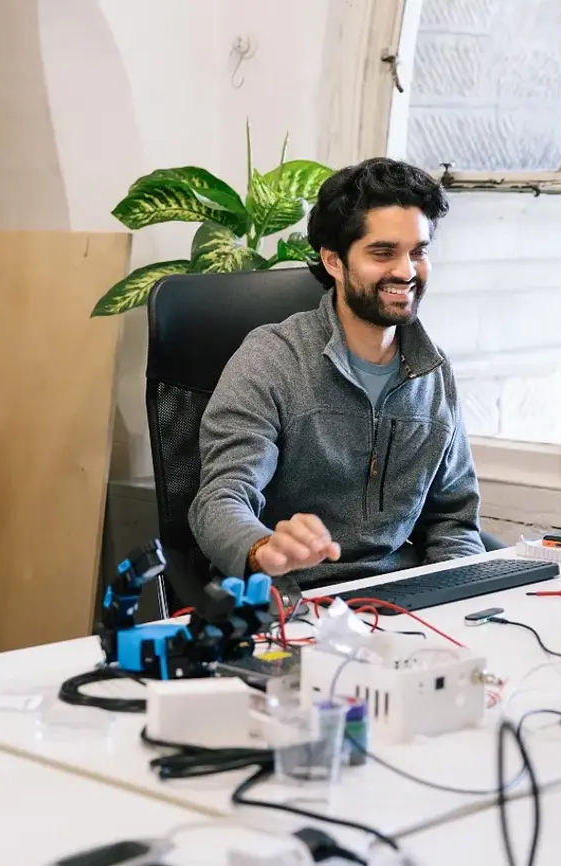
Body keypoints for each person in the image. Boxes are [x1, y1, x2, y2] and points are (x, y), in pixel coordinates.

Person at [189, 157, 485, 587]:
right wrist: (263, 549)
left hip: (398, 599)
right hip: (290, 595)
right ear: (333, 261)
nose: (406, 271)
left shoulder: (434, 372)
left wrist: (462, 594)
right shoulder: (272, 359)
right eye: (383, 252)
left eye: (418, 252)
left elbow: (452, 522)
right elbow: (220, 499)